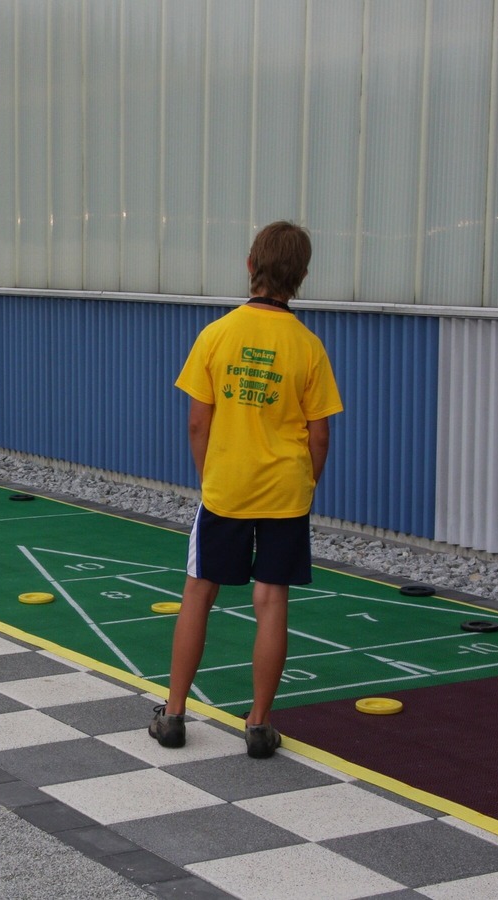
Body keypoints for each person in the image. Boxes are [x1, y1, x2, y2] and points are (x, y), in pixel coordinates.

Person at [149, 221, 344, 759]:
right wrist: (306, 485)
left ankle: (174, 713)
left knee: (199, 592)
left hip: (227, 487)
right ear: (302, 275)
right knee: (271, 598)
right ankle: (258, 723)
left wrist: (209, 476)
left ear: (250, 265)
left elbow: (198, 422)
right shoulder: (308, 346)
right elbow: (320, 434)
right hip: (286, 491)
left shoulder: (217, 334)